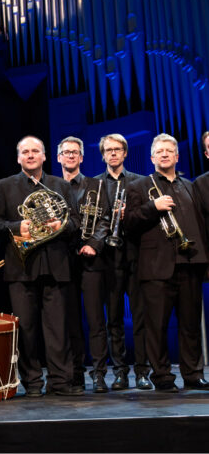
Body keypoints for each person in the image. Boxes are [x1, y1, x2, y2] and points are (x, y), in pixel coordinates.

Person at [0, 135, 83, 397]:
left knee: (57, 329)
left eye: (35, 151)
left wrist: (59, 226)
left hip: (56, 265)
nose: (30, 155)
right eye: (25, 152)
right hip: (21, 268)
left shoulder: (60, 186)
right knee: (26, 329)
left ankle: (60, 381)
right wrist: (17, 226)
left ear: (44, 156)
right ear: (19, 158)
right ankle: (32, 382)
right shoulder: (4, 186)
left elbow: (75, 223)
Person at [125, 133, 209, 392]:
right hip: (156, 268)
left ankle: (193, 374)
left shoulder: (189, 186)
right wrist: (153, 206)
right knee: (157, 326)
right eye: (159, 151)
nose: (164, 154)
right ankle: (161, 376)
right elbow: (128, 223)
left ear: (177, 156)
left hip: (189, 263)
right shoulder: (139, 187)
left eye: (169, 151)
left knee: (190, 324)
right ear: (152, 157)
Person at [95, 134, 152, 391]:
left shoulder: (140, 182)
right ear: (103, 155)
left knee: (141, 318)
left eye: (118, 149)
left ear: (125, 153)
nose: (113, 154)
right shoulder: (94, 184)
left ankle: (142, 371)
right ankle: (120, 372)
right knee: (114, 319)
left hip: (136, 256)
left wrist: (127, 215)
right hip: (108, 259)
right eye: (108, 150)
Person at [57, 136, 111, 393]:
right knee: (69, 322)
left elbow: (105, 219)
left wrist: (94, 244)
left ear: (81, 157)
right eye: (65, 152)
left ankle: (99, 374)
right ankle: (75, 374)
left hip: (91, 259)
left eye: (74, 153)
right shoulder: (51, 187)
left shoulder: (96, 185)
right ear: (58, 157)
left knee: (95, 321)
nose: (70, 156)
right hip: (62, 261)